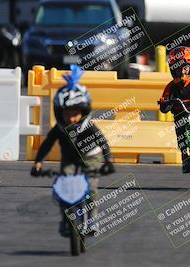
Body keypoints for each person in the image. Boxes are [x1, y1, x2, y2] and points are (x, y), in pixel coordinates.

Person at [30, 64, 115, 236]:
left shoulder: (89, 127)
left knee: (91, 188)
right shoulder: (59, 129)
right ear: (58, 112)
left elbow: (103, 142)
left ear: (83, 112)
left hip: (91, 158)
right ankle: (65, 220)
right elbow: (47, 144)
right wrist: (38, 162)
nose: (71, 118)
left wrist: (109, 160)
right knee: (63, 188)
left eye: (75, 113)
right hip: (69, 160)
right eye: (66, 113)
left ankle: (93, 221)